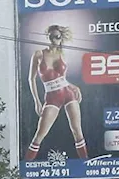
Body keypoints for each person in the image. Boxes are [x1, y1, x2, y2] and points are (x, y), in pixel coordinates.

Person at [25, 25, 88, 161]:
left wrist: (74, 86)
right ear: (47, 36)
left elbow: (62, 79)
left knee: (77, 130)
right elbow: (31, 78)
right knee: (40, 134)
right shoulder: (38, 54)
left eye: (58, 37)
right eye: (53, 36)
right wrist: (36, 101)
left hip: (68, 93)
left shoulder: (63, 54)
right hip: (52, 97)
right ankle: (24, 167)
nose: (55, 39)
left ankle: (86, 164)